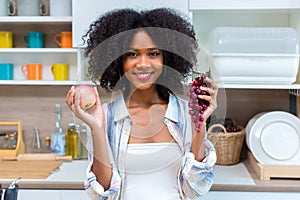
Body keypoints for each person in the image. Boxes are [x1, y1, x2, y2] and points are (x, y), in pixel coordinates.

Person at [66, 7, 218, 200]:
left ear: (167, 59)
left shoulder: (186, 113)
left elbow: (195, 189)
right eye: (133, 54)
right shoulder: (103, 117)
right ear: (118, 61)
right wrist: (97, 128)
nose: (143, 63)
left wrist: (200, 122)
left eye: (153, 54)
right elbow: (103, 194)